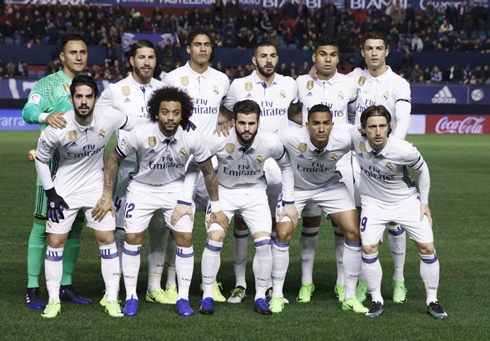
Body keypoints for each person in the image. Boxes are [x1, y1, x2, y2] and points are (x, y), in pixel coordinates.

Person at [97, 86, 229, 317]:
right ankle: (130, 297)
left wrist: (216, 207)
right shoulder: (139, 132)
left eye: (176, 113)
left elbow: (208, 171)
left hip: (174, 190)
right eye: (165, 112)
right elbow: (113, 158)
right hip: (142, 188)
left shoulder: (192, 135)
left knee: (185, 238)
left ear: (182, 114)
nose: (170, 118)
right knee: (132, 237)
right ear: (156, 113)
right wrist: (107, 195)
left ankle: (183, 298)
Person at [34, 75, 142, 318]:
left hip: (96, 189)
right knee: (55, 243)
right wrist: (51, 194)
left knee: (106, 239)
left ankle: (112, 299)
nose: (84, 101)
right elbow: (40, 160)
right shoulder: (58, 126)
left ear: (96, 98)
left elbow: (136, 122)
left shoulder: (110, 116)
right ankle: (53, 300)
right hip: (64, 191)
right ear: (71, 98)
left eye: (88, 96)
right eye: (79, 96)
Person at [95, 40, 176, 307]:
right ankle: (113, 288)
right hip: (124, 172)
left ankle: (153, 286)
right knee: (120, 231)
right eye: (141, 57)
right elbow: (93, 117)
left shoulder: (163, 90)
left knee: (158, 229)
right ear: (131, 60)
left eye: (151, 57)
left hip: (158, 172)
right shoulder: (116, 91)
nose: (147, 63)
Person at [199, 100, 298, 316]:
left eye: (251, 123)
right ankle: (207, 296)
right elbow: (196, 164)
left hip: (255, 194)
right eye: (242, 123)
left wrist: (289, 202)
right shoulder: (218, 139)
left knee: (263, 244)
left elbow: (287, 167)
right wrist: (188, 200)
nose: (246, 128)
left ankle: (261, 296)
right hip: (224, 192)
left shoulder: (270, 141)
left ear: (258, 122)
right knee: (214, 239)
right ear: (233, 122)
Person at [350, 105, 447, 320]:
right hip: (373, 203)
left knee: (427, 247)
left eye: (382, 126)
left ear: (389, 127)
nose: (377, 131)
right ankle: (376, 300)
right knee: (368, 248)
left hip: (406, 202)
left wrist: (425, 202)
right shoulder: (355, 140)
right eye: (372, 126)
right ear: (363, 129)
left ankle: (432, 300)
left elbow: (423, 170)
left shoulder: (404, 150)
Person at [221, 40, 301, 303]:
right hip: (248, 159)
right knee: (243, 222)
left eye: (273, 55)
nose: (268, 60)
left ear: (277, 59)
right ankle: (241, 284)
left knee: (273, 227)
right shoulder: (238, 85)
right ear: (254, 60)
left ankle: (266, 287)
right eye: (263, 56)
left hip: (277, 162)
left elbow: (299, 112)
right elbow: (224, 112)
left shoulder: (290, 84)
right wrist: (224, 126)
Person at [269, 104, 367, 314]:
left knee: (353, 231)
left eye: (325, 123)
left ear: (332, 125)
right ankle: (276, 294)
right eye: (316, 123)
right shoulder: (290, 136)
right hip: (296, 188)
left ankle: (349, 295)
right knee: (283, 232)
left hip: (330, 187)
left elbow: (373, 137)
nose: (321, 129)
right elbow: (262, 138)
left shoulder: (345, 137)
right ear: (307, 125)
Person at [22, 33, 91, 309]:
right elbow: (28, 110)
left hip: (82, 169)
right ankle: (32, 288)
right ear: (62, 56)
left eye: (83, 52)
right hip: (51, 166)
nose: (78, 56)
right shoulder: (47, 84)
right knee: (42, 226)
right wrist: (44, 116)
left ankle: (66, 286)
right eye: (72, 52)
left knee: (74, 228)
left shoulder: (88, 86)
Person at [161, 28, 231, 302]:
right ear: (188, 49)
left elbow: (226, 111)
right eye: (197, 45)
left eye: (207, 44)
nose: (202, 49)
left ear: (211, 49)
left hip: (211, 161)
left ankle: (209, 284)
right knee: (176, 223)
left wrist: (230, 121)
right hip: (179, 161)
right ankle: (170, 283)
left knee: (214, 221)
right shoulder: (173, 77)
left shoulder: (222, 80)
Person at [348, 31, 411, 304]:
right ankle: (365, 280)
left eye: (379, 48)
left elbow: (403, 120)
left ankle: (399, 280)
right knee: (365, 219)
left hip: (389, 160)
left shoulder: (398, 83)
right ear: (363, 52)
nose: (374, 53)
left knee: (396, 219)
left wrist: (391, 154)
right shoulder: (353, 78)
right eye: (369, 48)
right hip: (358, 159)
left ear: (387, 51)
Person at [296, 37, 357, 303]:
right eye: (322, 54)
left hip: (341, 162)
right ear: (314, 58)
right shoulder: (300, 82)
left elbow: (356, 115)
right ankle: (306, 283)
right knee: (309, 223)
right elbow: (287, 111)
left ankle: (342, 283)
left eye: (333, 54)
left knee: (342, 225)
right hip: (308, 163)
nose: (328, 59)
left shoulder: (350, 83)